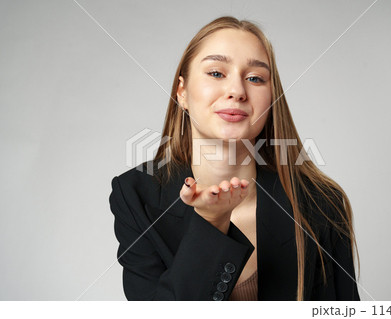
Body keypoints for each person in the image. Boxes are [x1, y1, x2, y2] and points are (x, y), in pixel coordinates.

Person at [109, 16, 361, 301]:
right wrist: (210, 224)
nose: (238, 91)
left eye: (255, 78)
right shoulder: (134, 195)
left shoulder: (321, 203)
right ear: (182, 92)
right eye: (216, 73)